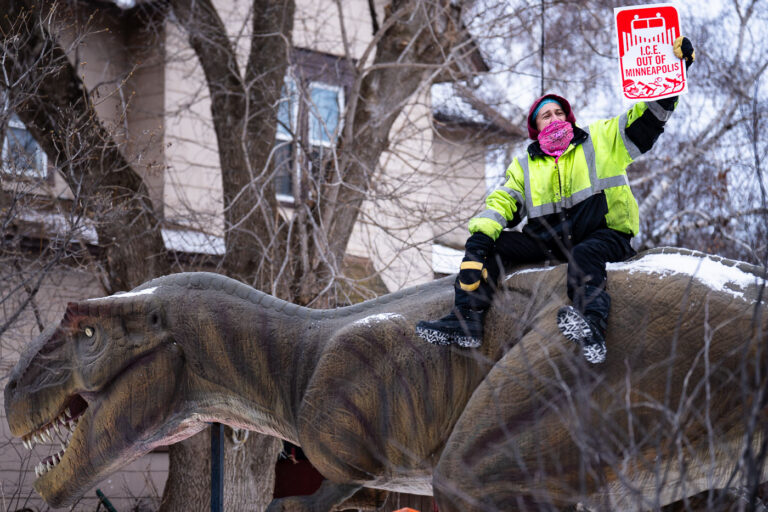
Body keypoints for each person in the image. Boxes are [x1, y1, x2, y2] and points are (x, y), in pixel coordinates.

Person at [416, 37, 695, 364]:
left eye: (559, 112)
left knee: (585, 253)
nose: (553, 118)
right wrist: (479, 240)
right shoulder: (524, 165)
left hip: (602, 236)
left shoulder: (601, 139)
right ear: (535, 128)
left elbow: (644, 122)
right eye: (545, 115)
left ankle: (592, 323)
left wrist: (670, 78)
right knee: (493, 245)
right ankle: (467, 321)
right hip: (547, 242)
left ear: (569, 117)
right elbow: (503, 202)